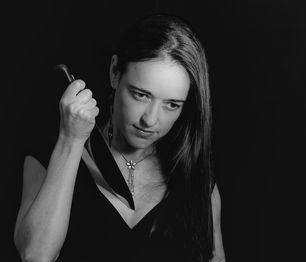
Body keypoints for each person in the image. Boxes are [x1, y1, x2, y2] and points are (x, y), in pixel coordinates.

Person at [14, 14, 225, 262]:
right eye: (141, 95)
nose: (151, 120)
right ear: (115, 72)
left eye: (171, 105)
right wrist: (71, 140)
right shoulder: (49, 158)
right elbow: (35, 255)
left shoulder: (198, 183)